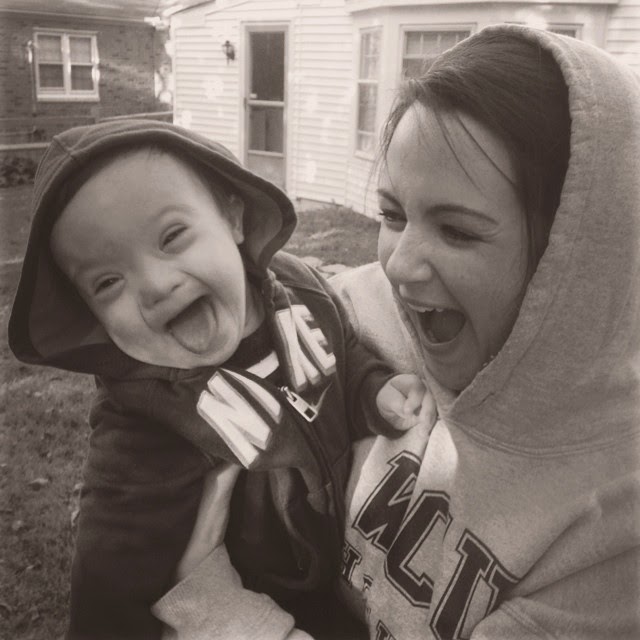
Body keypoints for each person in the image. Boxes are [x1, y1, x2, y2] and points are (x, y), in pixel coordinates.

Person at [155, 23, 640, 639]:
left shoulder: (614, 533)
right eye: (392, 214)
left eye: (456, 231)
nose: (399, 266)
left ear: (577, 261)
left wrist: (221, 616)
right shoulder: (367, 318)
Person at [7, 119, 434, 639]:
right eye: (108, 282)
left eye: (172, 236)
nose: (155, 285)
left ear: (232, 217)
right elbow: (111, 569)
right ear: (92, 315)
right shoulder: (145, 420)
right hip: (267, 606)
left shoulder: (299, 290)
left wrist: (373, 390)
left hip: (349, 561)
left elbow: (339, 351)